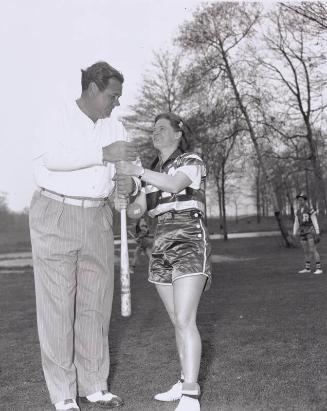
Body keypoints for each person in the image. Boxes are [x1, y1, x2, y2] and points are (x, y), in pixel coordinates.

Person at [29, 61, 139, 411]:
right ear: (92, 88)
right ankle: (63, 394)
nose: (116, 103)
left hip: (98, 216)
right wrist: (103, 155)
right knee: (58, 307)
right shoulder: (57, 115)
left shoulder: (115, 126)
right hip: (56, 213)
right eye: (112, 95)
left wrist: (129, 184)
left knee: (95, 306)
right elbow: (53, 159)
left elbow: (128, 176)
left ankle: (94, 385)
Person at [116, 112, 211, 411]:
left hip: (189, 239)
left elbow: (173, 185)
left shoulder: (191, 161)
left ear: (178, 134)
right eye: (153, 129)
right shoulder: (152, 173)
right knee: (176, 320)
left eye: (161, 128)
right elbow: (138, 210)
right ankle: (184, 380)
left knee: (185, 319)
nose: (155, 133)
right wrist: (122, 200)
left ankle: (191, 395)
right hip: (161, 244)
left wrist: (138, 171)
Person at [293, 193, 323, 275]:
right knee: (306, 251)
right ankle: (307, 268)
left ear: (305, 200)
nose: (299, 201)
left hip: (310, 231)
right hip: (302, 232)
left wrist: (317, 232)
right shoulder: (297, 211)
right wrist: (294, 232)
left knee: (313, 250)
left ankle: (319, 268)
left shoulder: (310, 209)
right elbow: (296, 223)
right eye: (298, 200)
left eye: (301, 200)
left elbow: (314, 221)